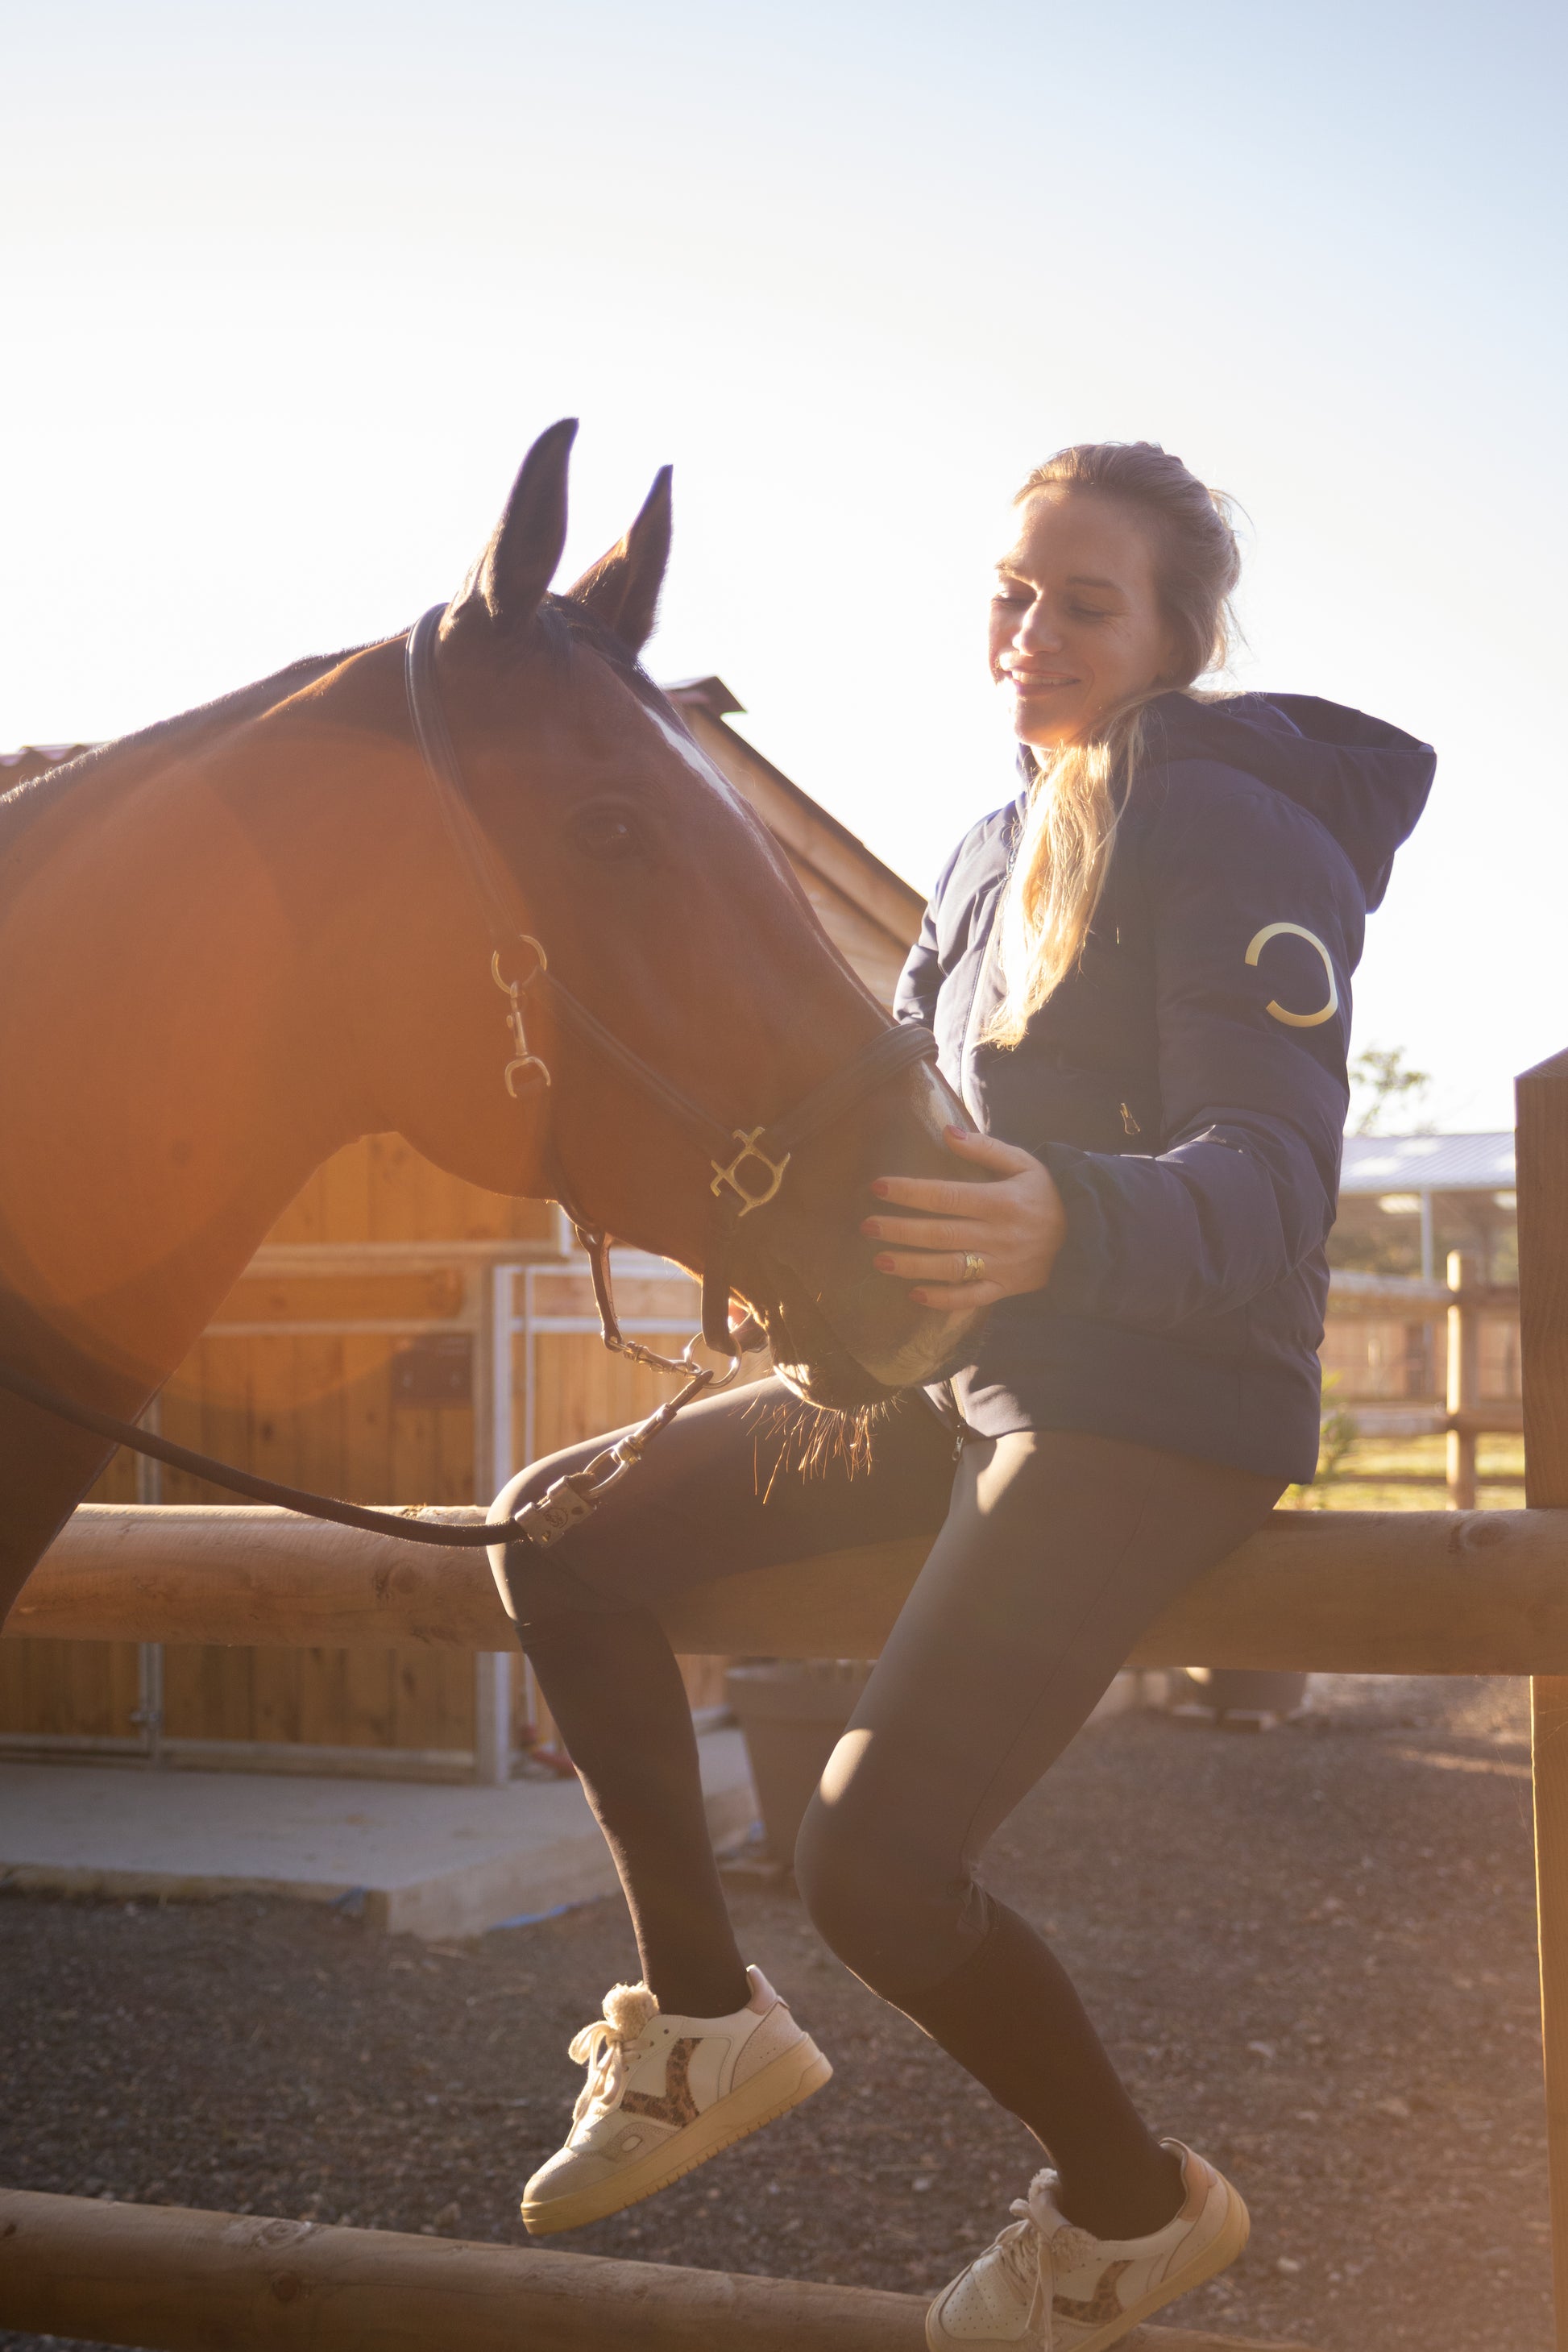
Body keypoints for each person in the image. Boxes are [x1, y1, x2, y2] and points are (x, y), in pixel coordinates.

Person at [489, 442, 1434, 2349]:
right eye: (1011, 589)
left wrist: (1060, 1223)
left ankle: (1127, 2210)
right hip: (976, 1372)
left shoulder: (1234, 822)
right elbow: (905, 1134)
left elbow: (1270, 1181)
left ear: (1176, 631)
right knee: (557, 1533)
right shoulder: (989, 842)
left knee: (870, 1858)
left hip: (1156, 1395)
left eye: (1084, 601)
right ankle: (696, 2022)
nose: (1030, 630)